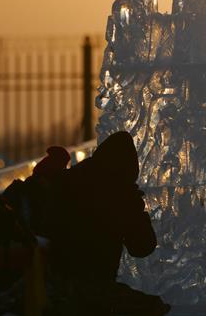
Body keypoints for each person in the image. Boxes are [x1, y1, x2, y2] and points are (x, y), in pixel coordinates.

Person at [43, 131, 162, 315]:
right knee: (155, 308)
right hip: (92, 289)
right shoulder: (122, 196)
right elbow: (142, 247)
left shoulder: (70, 179)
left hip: (52, 282)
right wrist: (137, 210)